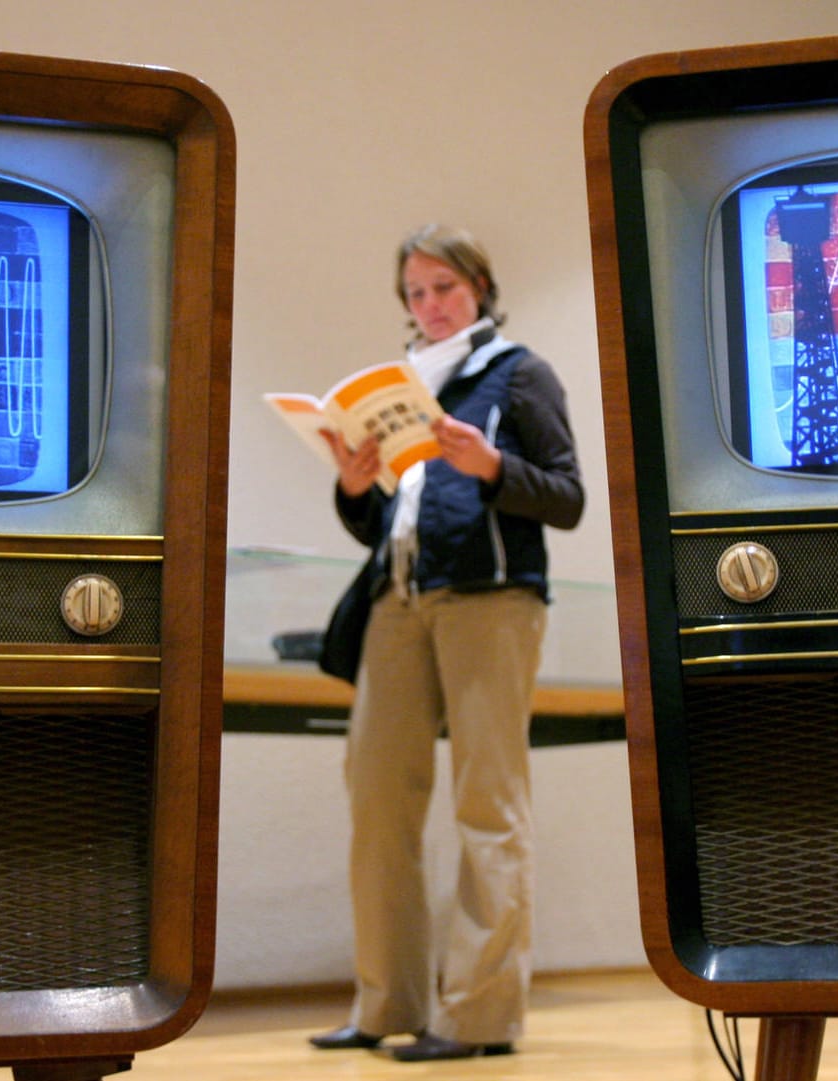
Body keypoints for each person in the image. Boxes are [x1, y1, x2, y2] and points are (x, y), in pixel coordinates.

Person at [308, 224, 585, 1062]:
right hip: (398, 596)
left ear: (479, 288)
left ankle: (476, 1015)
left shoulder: (519, 373)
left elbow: (567, 497)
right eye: (416, 292)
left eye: (444, 288)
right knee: (376, 800)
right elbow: (385, 517)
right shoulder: (399, 388)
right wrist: (353, 488)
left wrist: (494, 466)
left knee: (485, 805)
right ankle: (385, 999)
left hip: (490, 600)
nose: (429, 305)